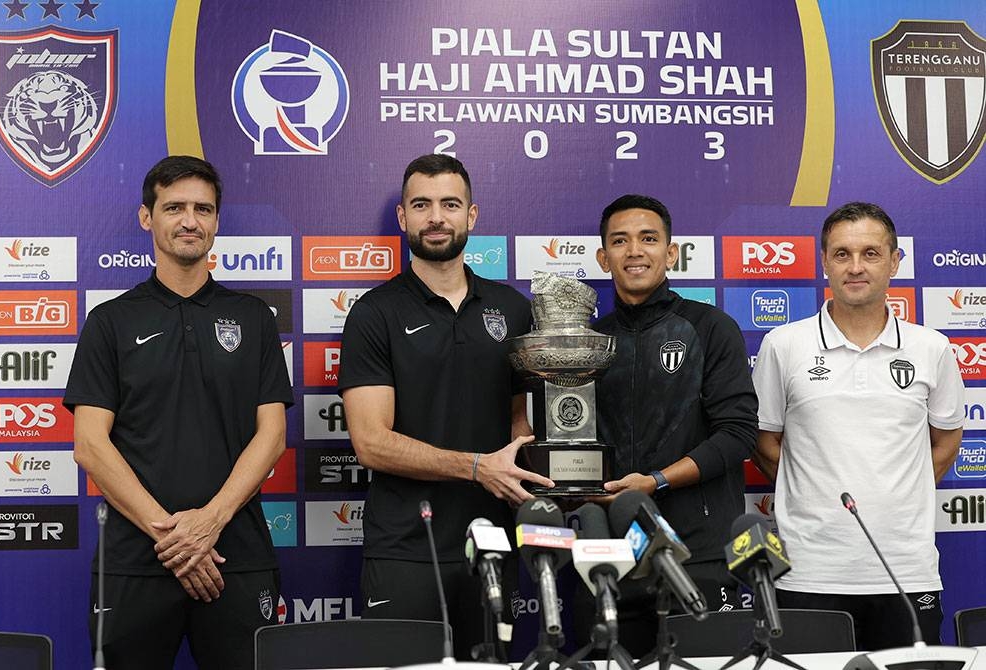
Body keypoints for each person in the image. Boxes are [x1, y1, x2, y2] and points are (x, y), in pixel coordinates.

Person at [64, 156, 293, 669]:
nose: (190, 220)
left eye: (203, 209)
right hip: (136, 562)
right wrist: (175, 538)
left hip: (235, 556)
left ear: (215, 221)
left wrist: (210, 523)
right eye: (174, 208)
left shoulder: (253, 318)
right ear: (147, 217)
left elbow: (272, 435)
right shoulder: (110, 322)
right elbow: (90, 445)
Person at [338, 154, 552, 660]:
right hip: (406, 549)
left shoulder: (514, 309)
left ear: (471, 216)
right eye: (422, 205)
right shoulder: (374, 314)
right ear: (403, 218)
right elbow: (371, 443)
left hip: (495, 544)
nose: (436, 217)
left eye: (450, 204)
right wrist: (477, 468)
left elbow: (521, 423)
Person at [752, 202, 964, 650]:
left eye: (870, 253)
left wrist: (902, 496)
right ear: (824, 260)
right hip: (809, 570)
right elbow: (765, 441)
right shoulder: (784, 344)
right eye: (842, 253)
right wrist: (806, 491)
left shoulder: (932, 348)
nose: (855, 267)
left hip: (906, 571)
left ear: (894, 262)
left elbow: (946, 441)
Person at [581, 194, 758, 654]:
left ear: (671, 252)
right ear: (603, 257)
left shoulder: (711, 327)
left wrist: (656, 482)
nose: (634, 251)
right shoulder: (587, 344)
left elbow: (738, 435)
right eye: (620, 241)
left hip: (699, 554)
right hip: (615, 552)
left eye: (648, 239)